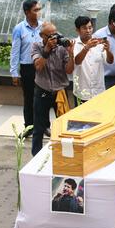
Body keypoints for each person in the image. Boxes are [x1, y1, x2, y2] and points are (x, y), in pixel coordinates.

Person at [31, 22, 74, 156]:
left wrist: (71, 54)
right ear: (42, 36)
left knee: (64, 126)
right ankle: (36, 157)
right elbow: (38, 67)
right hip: (42, 90)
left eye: (56, 34)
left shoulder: (61, 48)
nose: (54, 38)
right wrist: (47, 50)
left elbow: (69, 70)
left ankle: (64, 155)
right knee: (39, 127)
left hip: (60, 91)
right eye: (50, 36)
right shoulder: (36, 46)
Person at [10, 0, 43, 138]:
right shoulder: (19, 28)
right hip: (27, 68)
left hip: (42, 67)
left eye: (39, 9)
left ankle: (42, 127)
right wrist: (14, 73)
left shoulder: (43, 26)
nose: (38, 12)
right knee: (29, 98)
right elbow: (15, 51)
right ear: (27, 12)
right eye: (35, 10)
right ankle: (28, 127)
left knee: (43, 98)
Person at [73, 16, 114, 105]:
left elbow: (110, 61)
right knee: (81, 118)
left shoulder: (99, 42)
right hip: (82, 93)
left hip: (98, 91)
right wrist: (86, 48)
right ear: (78, 30)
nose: (88, 31)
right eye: (84, 28)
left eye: (90, 27)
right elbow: (77, 61)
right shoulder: (74, 44)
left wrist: (108, 50)